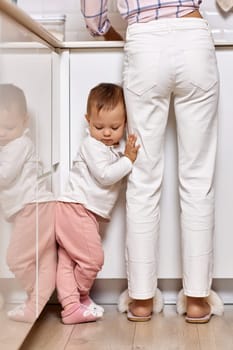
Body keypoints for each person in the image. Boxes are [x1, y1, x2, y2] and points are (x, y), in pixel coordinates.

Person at [80, 1, 224, 323]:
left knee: (143, 177)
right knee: (198, 176)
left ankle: (141, 300)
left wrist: (105, 30)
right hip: (194, 37)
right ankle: (198, 300)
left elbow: (93, 14)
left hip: (144, 42)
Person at [55, 82, 139, 325]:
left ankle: (72, 305)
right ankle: (76, 297)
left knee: (69, 261)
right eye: (98, 126)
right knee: (93, 260)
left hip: (78, 211)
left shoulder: (110, 148)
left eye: (115, 127)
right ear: (87, 120)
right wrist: (128, 160)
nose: (106, 133)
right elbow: (104, 176)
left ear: (125, 123)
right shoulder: (91, 145)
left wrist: (123, 156)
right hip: (76, 209)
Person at [0, 84, 56, 323]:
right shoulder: (12, 145)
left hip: (33, 208)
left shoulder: (19, 145)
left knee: (16, 258)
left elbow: (4, 175)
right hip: (37, 208)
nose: (2, 133)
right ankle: (39, 298)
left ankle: (39, 296)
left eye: (9, 127)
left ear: (25, 121)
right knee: (41, 258)